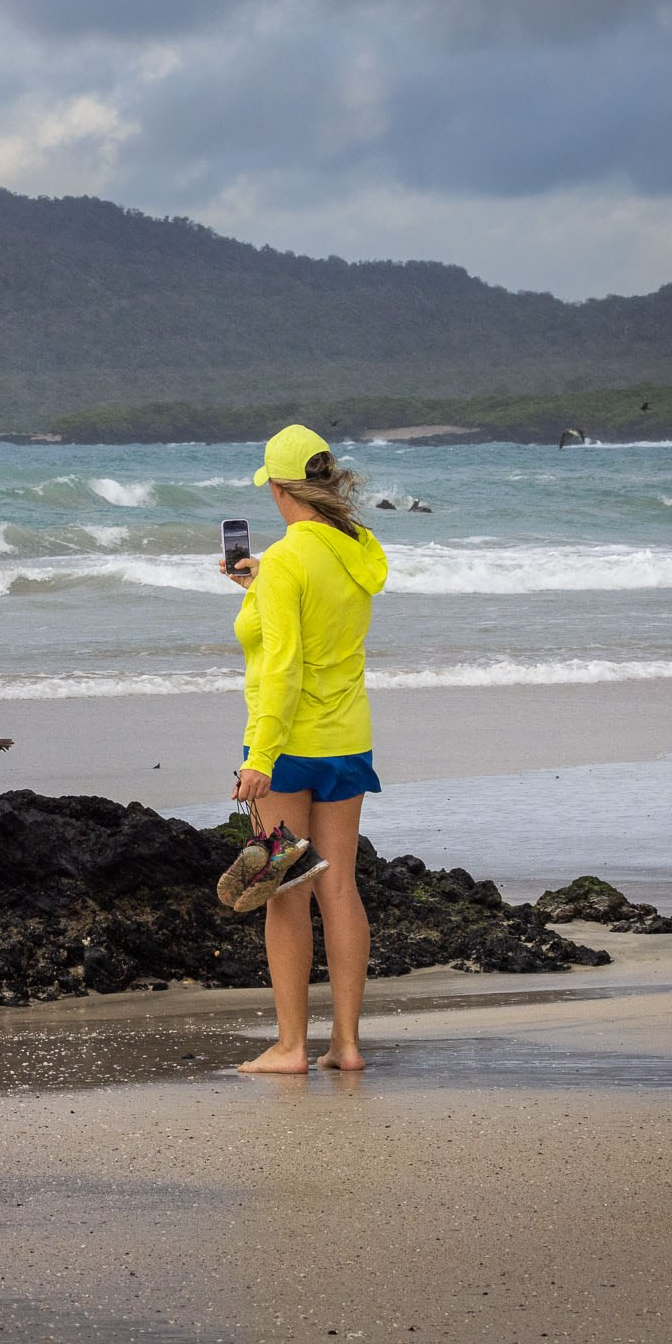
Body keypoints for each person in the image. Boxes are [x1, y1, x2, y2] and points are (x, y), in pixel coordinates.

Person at [221, 424, 388, 1073]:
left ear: (283, 488)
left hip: (288, 743)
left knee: (284, 891)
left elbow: (285, 666)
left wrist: (260, 756)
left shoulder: (289, 559)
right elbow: (312, 627)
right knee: (339, 887)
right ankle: (345, 1045)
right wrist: (257, 586)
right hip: (347, 739)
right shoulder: (356, 548)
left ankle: (291, 1047)